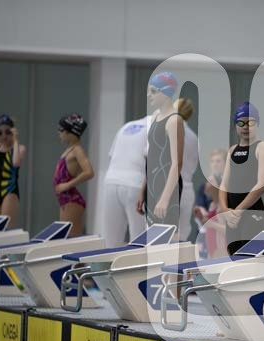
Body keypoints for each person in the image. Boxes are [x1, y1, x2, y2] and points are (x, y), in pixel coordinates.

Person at [220, 102, 264, 255]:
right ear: (236, 125)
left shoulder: (262, 147)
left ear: (257, 123)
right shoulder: (232, 150)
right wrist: (225, 210)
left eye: (251, 123)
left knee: (249, 259)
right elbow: (224, 184)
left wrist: (239, 211)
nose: (246, 127)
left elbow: (262, 185)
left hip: (251, 213)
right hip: (232, 215)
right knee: (233, 257)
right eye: (241, 123)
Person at [137, 72, 185, 232]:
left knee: (167, 239)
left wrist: (165, 198)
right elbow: (152, 157)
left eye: (153, 91)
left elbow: (177, 163)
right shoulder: (155, 117)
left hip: (167, 186)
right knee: (152, 239)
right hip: (152, 186)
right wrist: (142, 190)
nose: (148, 95)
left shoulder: (174, 120)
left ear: (166, 92)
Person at [103, 114, 150, 246]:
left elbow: (112, 156)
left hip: (111, 180)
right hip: (135, 184)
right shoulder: (156, 128)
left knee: (111, 241)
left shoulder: (127, 126)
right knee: (139, 240)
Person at [53, 113, 94, 236]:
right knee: (65, 239)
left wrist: (67, 185)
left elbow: (89, 172)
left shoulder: (77, 150)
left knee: (72, 240)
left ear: (70, 132)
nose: (59, 133)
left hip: (72, 200)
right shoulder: (70, 149)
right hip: (65, 199)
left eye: (61, 130)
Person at [175, 98, 199, 242]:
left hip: (171, 187)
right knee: (181, 237)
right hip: (187, 188)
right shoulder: (194, 137)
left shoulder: (167, 130)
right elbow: (193, 165)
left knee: (160, 237)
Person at [194, 174, 227, 259]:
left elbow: (228, 231)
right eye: (207, 181)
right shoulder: (212, 205)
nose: (207, 184)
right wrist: (201, 217)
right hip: (210, 250)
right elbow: (207, 226)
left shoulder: (223, 207)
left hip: (221, 250)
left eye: (211, 181)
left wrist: (211, 224)